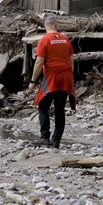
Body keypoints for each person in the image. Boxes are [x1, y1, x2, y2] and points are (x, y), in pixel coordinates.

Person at [28, 15, 75, 148]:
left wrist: (33, 81)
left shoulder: (44, 40)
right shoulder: (66, 39)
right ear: (56, 25)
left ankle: (44, 138)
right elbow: (71, 60)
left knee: (43, 106)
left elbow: (39, 62)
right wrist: (69, 77)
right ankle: (56, 140)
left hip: (51, 77)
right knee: (60, 108)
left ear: (45, 26)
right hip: (66, 76)